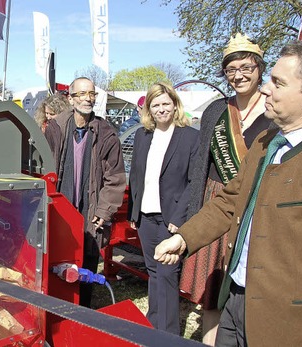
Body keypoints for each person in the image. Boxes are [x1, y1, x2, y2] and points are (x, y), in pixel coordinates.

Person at [155, 40, 302, 347]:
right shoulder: (265, 141)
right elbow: (229, 200)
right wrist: (184, 237)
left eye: (277, 83)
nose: (266, 90)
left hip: (286, 321)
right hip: (236, 298)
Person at [178, 33, 273, 345]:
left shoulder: (274, 112)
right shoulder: (215, 111)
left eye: (246, 67)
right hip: (214, 202)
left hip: (256, 206)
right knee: (212, 290)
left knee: (248, 286)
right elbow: (199, 168)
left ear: (260, 69)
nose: (239, 75)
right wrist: (192, 216)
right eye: (231, 69)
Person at [45, 77, 126, 307]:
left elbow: (115, 178)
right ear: (70, 98)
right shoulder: (55, 129)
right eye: (81, 94)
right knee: (57, 264)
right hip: (59, 211)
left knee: (87, 264)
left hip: (90, 212)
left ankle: (84, 313)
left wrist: (104, 209)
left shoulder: (106, 134)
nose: (87, 98)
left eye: (91, 94)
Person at [127, 83, 198, 334]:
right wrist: (133, 212)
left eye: (166, 103)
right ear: (149, 109)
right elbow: (136, 175)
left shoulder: (190, 137)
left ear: (175, 105)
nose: (161, 109)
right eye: (155, 105)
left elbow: (194, 181)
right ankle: (153, 325)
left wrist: (181, 218)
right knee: (153, 272)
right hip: (146, 216)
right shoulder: (142, 135)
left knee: (168, 273)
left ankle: (167, 335)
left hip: (172, 218)